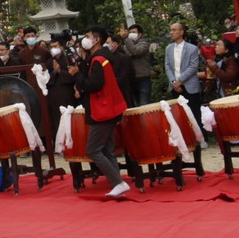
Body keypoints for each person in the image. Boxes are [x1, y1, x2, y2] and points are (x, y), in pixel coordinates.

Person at [79, 35, 132, 199]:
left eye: (88, 36)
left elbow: (93, 85)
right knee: (108, 150)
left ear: (96, 39)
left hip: (102, 110)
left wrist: (77, 74)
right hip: (109, 108)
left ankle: (118, 182)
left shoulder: (98, 60)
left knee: (93, 150)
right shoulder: (103, 58)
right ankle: (117, 186)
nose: (85, 39)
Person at [46, 46, 90, 190]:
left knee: (74, 125)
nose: (54, 49)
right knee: (56, 121)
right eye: (52, 46)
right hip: (54, 94)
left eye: (56, 45)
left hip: (68, 94)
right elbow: (46, 78)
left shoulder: (69, 59)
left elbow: (75, 75)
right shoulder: (49, 61)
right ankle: (62, 147)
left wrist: (61, 71)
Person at [163, 23, 204, 118]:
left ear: (181, 32)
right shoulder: (168, 48)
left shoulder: (192, 48)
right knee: (181, 116)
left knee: (195, 115)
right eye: (170, 30)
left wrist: (180, 81)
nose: (171, 32)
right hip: (174, 86)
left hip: (190, 86)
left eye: (174, 30)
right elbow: (167, 66)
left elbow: (193, 67)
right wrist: (173, 82)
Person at [123, 27, 157, 106]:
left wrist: (126, 39)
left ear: (140, 34)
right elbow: (128, 54)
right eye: (130, 32)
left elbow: (135, 52)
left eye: (133, 32)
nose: (131, 34)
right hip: (132, 79)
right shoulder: (127, 45)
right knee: (137, 105)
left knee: (144, 104)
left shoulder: (144, 44)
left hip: (143, 79)